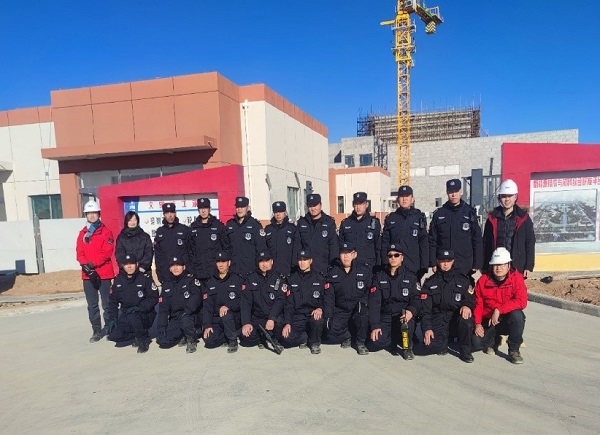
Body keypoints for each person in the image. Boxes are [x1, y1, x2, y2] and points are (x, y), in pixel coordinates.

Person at [472, 247, 528, 364]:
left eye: (502, 265)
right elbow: (478, 304)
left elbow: (521, 301)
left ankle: (514, 349)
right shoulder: (483, 280)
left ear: (508, 265)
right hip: (489, 321)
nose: (499, 268)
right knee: (476, 343)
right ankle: (495, 340)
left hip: (507, 320)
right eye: (496, 265)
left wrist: (499, 309)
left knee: (518, 316)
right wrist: (477, 324)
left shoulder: (517, 278)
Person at [421, 249, 475, 363]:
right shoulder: (430, 283)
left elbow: (470, 298)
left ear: (453, 261)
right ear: (437, 261)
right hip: (439, 317)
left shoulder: (463, 279)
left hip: (457, 316)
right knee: (430, 345)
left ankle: (465, 350)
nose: (445, 264)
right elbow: (425, 310)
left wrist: (466, 305)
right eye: (442, 261)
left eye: (448, 261)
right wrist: (427, 328)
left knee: (466, 321)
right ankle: (445, 340)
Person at [368, 244, 419, 360]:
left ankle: (407, 348)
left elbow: (416, 299)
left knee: (406, 326)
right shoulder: (379, 277)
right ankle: (394, 340)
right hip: (386, 315)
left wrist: (411, 311)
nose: (393, 258)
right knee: (376, 341)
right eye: (390, 255)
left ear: (402, 257)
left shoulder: (411, 277)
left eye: (396, 255)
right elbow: (374, 303)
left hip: (403, 315)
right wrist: (375, 325)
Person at [76, 200, 116, 343]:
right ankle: (97, 331)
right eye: (89, 213)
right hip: (88, 276)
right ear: (86, 215)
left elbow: (107, 252)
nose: (92, 215)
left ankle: (111, 328)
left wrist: (92, 264)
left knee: (107, 304)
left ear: (99, 214)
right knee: (92, 305)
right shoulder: (82, 234)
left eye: (94, 213)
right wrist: (86, 267)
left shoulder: (106, 232)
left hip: (104, 274)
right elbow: (79, 253)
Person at [429, 179, 483, 279]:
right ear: (447, 192)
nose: (453, 195)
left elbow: (477, 239)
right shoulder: (439, 214)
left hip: (465, 263)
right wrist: (433, 262)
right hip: (444, 263)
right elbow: (433, 240)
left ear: (460, 192)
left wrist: (477, 263)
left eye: (456, 191)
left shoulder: (469, 213)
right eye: (451, 192)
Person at [324, 242, 371, 355]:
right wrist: (328, 315)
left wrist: (363, 302)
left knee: (363, 316)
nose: (346, 256)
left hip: (358, 308)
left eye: (349, 253)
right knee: (329, 327)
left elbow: (369, 290)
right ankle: (348, 336)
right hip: (341, 309)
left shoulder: (364, 270)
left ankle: (360, 342)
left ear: (354, 254)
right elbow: (329, 297)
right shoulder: (333, 272)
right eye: (343, 253)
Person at [105, 254, 158, 353]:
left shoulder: (145, 278)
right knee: (113, 335)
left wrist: (140, 307)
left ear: (137, 264)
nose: (129, 267)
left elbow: (153, 297)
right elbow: (112, 302)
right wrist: (112, 318)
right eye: (126, 264)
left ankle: (143, 340)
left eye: (132, 264)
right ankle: (138, 334)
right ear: (122, 266)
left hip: (144, 313)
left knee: (134, 316)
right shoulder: (118, 281)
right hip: (126, 314)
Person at [483, 179, 535, 278]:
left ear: (515, 197)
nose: (507, 199)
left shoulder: (524, 218)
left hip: (517, 267)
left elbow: (530, 242)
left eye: (510, 196)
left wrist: (528, 266)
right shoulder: (492, 218)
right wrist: (484, 266)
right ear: (499, 198)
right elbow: (485, 243)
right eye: (504, 196)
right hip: (496, 266)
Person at [281, 249, 326, 354]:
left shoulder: (319, 278)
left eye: (305, 260)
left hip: (312, 314)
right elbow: (289, 304)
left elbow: (326, 298)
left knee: (318, 319)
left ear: (311, 261)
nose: (302, 262)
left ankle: (314, 343)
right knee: (285, 339)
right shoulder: (292, 279)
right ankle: (305, 338)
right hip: (298, 316)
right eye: (300, 260)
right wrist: (287, 323)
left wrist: (321, 308)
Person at [240, 251, 286, 353]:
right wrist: (246, 322)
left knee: (281, 330)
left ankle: (272, 337)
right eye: (261, 261)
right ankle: (263, 338)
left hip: (274, 317)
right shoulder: (250, 278)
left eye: (266, 261)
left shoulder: (279, 278)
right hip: (258, 317)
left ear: (271, 262)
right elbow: (246, 302)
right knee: (246, 337)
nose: (264, 264)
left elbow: (280, 300)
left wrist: (272, 318)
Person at [156, 257, 203, 353]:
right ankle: (183, 334)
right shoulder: (167, 284)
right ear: (170, 269)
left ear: (184, 267)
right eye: (173, 266)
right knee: (163, 341)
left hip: (190, 315)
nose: (175, 268)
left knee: (185, 320)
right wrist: (162, 327)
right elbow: (163, 309)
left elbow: (197, 297)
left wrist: (187, 311)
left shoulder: (191, 280)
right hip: (176, 318)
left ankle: (191, 339)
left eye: (178, 265)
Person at [381, 186, 429, 280]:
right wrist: (385, 263)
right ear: (397, 199)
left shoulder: (419, 217)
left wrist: (424, 266)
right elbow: (384, 243)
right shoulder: (391, 218)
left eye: (407, 196)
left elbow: (424, 243)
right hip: (394, 266)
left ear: (412, 199)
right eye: (402, 196)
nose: (404, 199)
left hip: (413, 266)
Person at [202, 251, 245, 353]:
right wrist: (207, 325)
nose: (220, 264)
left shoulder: (237, 279)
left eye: (223, 261)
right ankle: (228, 336)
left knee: (226, 315)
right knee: (209, 341)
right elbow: (207, 306)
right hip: (217, 319)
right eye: (218, 262)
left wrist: (228, 306)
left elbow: (243, 301)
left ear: (229, 263)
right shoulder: (210, 282)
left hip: (233, 318)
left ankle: (233, 340)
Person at [223, 196, 267, 277]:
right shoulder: (230, 224)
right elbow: (226, 247)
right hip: (233, 271)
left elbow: (261, 248)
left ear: (248, 208)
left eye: (242, 207)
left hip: (251, 270)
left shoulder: (255, 225)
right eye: (237, 207)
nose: (239, 209)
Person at [297, 193, 339, 274]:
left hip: (324, 268)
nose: (313, 208)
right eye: (310, 206)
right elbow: (297, 245)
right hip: (306, 269)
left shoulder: (329, 222)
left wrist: (333, 267)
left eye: (315, 205)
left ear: (320, 205)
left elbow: (333, 246)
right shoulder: (302, 223)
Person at [338, 192, 381, 270]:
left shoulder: (374, 223)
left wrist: (378, 267)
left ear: (366, 204)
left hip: (369, 267)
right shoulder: (346, 223)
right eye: (356, 204)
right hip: (351, 268)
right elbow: (340, 246)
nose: (358, 207)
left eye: (361, 204)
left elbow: (378, 247)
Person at [189, 197, 226, 281]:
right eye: (201, 208)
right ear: (198, 210)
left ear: (210, 209)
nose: (203, 211)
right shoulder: (193, 227)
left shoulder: (218, 226)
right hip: (199, 271)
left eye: (205, 208)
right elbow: (190, 250)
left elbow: (225, 247)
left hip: (215, 271)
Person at [154, 203, 191, 285]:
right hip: (166, 274)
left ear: (175, 213)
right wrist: (159, 274)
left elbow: (190, 252)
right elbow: (158, 256)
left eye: (172, 212)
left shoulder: (184, 230)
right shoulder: (160, 232)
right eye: (167, 213)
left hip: (183, 274)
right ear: (164, 215)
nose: (170, 215)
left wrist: (189, 270)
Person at [265, 201, 301, 276]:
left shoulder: (292, 229)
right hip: (272, 270)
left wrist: (294, 266)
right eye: (276, 212)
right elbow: (264, 248)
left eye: (280, 212)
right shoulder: (268, 229)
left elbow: (296, 248)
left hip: (288, 270)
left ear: (285, 212)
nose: (278, 214)